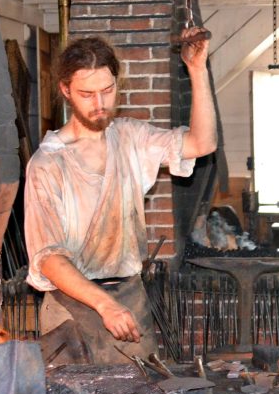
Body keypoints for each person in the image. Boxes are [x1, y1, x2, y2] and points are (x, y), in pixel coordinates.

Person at [24, 28, 216, 364]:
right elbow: (49, 258)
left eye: (107, 91)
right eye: (86, 94)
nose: (99, 105)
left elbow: (202, 143)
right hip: (70, 307)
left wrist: (198, 70)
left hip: (129, 298)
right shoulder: (48, 163)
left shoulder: (129, 138)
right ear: (65, 90)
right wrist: (104, 304)